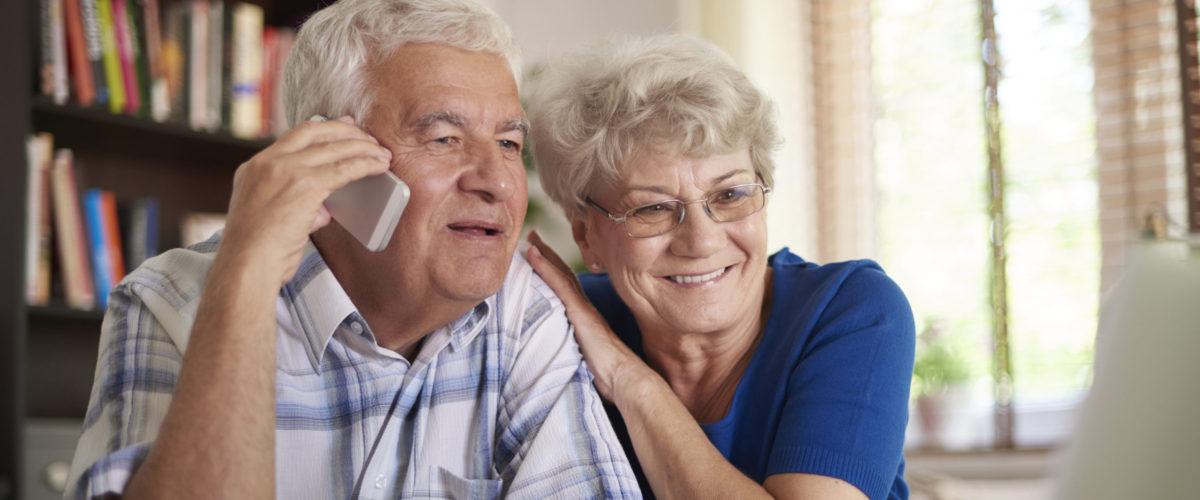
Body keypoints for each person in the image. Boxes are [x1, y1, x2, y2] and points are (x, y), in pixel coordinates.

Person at [65, 0, 640, 498]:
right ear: (331, 159)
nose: (497, 181)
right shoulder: (169, 303)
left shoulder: (525, 313)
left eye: (510, 143)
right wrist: (245, 279)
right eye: (444, 139)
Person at [524, 34, 914, 500]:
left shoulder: (852, 311)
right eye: (652, 209)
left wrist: (633, 384)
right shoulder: (557, 327)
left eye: (729, 195)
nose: (702, 240)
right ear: (586, 236)